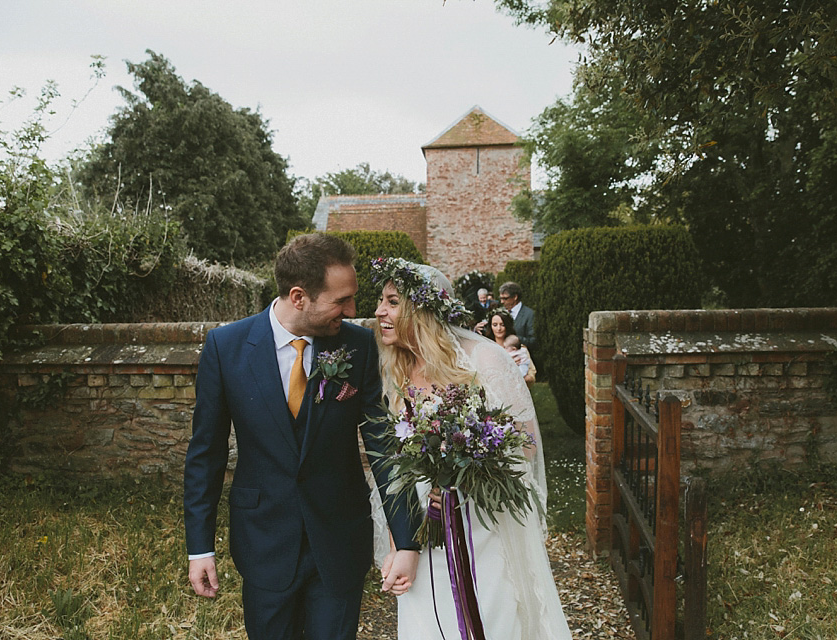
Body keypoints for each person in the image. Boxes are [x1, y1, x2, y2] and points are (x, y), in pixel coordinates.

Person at [184, 233, 421, 640]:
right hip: (263, 541)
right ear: (299, 297)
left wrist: (408, 542)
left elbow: (383, 447)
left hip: (339, 541)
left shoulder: (358, 345)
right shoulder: (226, 347)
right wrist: (200, 547)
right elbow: (206, 454)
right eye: (341, 300)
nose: (352, 310)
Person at [372, 258, 571, 640]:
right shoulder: (395, 369)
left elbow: (526, 445)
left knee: (492, 618)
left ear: (422, 308)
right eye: (381, 300)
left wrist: (469, 461)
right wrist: (400, 543)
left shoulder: (483, 360)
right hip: (420, 529)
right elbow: (394, 469)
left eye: (392, 301)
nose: (380, 310)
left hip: (481, 525)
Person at [499, 281, 536, 350]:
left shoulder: (529, 314)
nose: (502, 302)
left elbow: (532, 341)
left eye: (505, 298)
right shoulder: (500, 312)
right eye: (501, 298)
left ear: (515, 297)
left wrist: (514, 338)